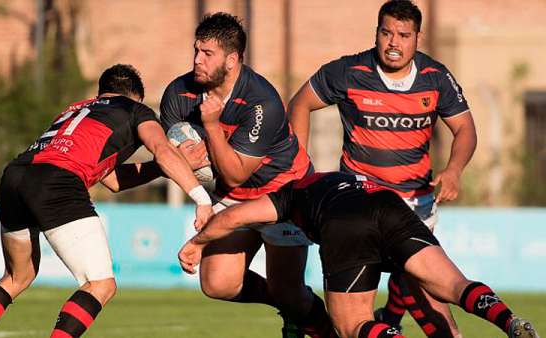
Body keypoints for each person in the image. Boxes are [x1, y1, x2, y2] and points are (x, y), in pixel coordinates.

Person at [0, 64, 213, 338]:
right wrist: (200, 196)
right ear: (135, 96)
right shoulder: (136, 110)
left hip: (15, 177)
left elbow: (113, 181)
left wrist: (164, 166)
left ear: (102, 92)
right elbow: (162, 150)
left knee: (16, 277)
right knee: (100, 285)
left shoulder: (75, 108)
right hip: (57, 181)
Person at [287, 1, 477, 336]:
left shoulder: (436, 77)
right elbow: (300, 102)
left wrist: (454, 169)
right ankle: (369, 318)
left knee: (435, 313)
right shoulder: (348, 71)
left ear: (417, 38)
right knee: (352, 321)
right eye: (386, 32)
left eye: (403, 35)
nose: (394, 42)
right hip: (358, 209)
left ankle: (389, 317)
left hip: (414, 206)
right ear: (376, 33)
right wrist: (301, 172)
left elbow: (465, 129)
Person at [178, 171, 540, 338]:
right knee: (455, 285)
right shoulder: (336, 176)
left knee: (351, 326)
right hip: (389, 204)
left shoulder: (289, 194)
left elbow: (234, 216)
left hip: (344, 222)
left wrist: (197, 242)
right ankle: (509, 321)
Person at [160, 12, 335, 338]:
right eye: (196, 51)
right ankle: (294, 308)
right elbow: (170, 155)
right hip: (230, 197)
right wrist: (195, 186)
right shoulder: (179, 94)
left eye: (207, 54)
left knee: (289, 289)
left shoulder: (261, 101)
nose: (197, 60)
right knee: (217, 284)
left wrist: (210, 126)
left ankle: (319, 323)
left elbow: (236, 173)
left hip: (282, 192)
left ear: (232, 59)